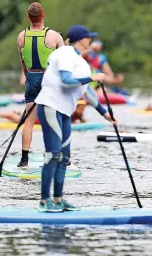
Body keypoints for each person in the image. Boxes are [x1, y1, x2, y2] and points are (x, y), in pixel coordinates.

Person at [34, 25, 114, 212]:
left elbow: (86, 93)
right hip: (49, 106)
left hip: (64, 111)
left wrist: (105, 113)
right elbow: (66, 80)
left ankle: (59, 199)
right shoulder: (64, 53)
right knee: (53, 154)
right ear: (81, 39)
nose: (91, 41)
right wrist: (93, 77)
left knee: (64, 158)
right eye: (89, 38)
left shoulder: (81, 62)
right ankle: (44, 202)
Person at [17, 2, 64, 168]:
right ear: (43, 15)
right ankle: (55, 156)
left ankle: (24, 159)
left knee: (29, 122)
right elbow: (63, 63)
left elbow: (23, 62)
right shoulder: (54, 36)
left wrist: (28, 76)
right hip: (48, 80)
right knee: (53, 120)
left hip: (31, 78)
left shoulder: (21, 36)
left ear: (29, 17)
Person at [0, 101, 88, 125]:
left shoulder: (78, 115)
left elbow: (83, 121)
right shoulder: (69, 113)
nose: (82, 110)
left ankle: (16, 112)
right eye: (80, 108)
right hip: (38, 119)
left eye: (83, 108)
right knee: (19, 120)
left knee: (21, 117)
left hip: (40, 118)